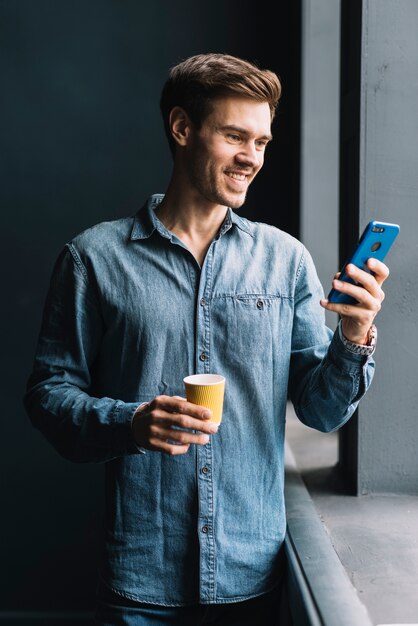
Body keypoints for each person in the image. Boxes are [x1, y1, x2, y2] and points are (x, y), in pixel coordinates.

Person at [24, 52, 388, 626]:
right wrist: (130, 421)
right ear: (182, 128)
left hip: (253, 579)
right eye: (236, 137)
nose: (252, 158)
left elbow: (321, 412)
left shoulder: (285, 260)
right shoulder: (92, 258)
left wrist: (353, 334)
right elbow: (48, 394)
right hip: (139, 582)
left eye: (262, 142)